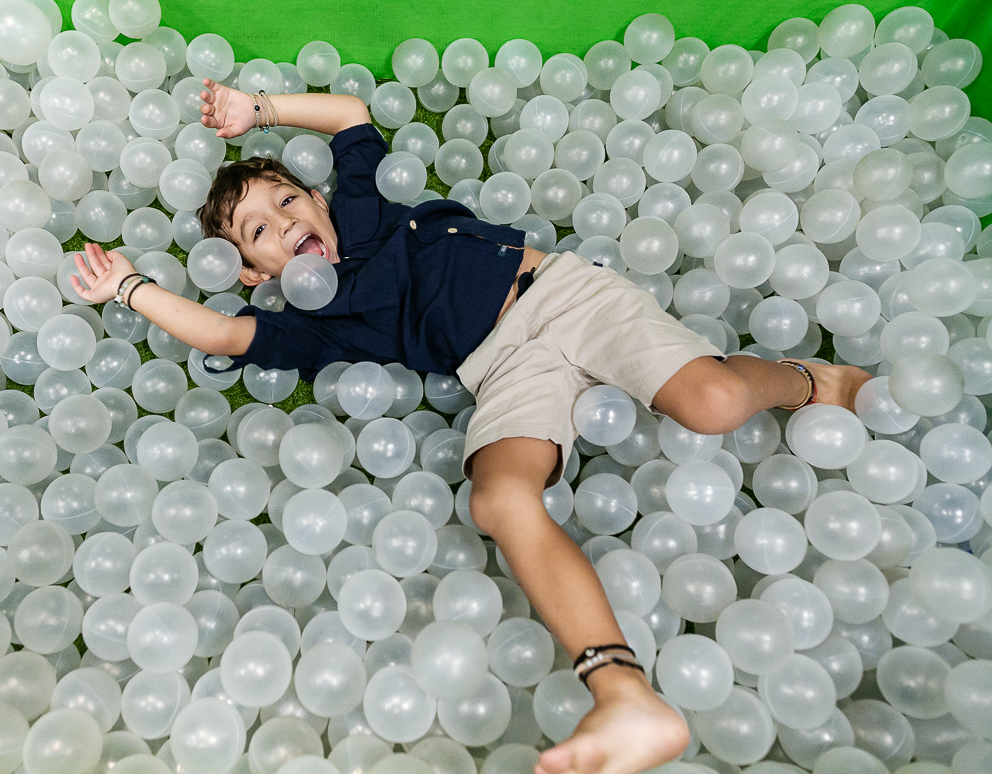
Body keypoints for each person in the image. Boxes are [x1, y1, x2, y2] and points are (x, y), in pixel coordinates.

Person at [72, 79, 872, 774]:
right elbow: (220, 335)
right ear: (254, 274)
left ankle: (811, 379)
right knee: (498, 500)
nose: (283, 222)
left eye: (286, 199)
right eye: (258, 233)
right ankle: (623, 692)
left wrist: (261, 109)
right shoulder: (321, 328)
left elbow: (350, 115)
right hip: (502, 369)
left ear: (318, 198)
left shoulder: (363, 210)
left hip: (560, 297)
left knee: (715, 404)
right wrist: (130, 287)